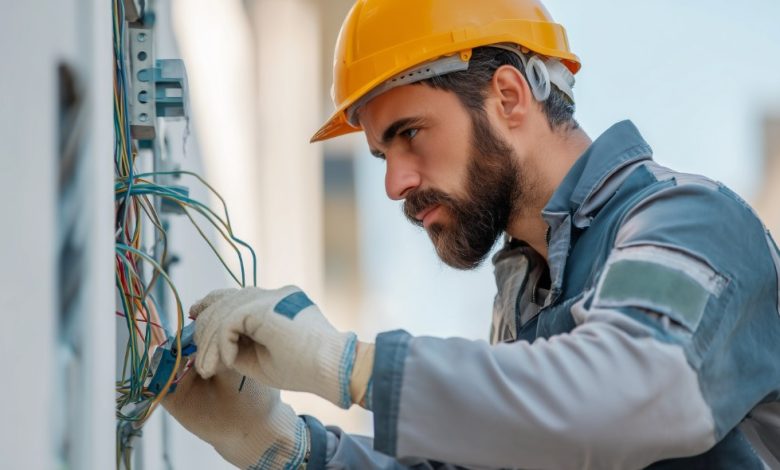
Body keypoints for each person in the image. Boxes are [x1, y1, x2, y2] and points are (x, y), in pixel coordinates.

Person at [163, 0, 780, 468]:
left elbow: (630, 389)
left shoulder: (686, 221)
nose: (396, 184)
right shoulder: (525, 302)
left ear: (509, 96)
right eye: (382, 156)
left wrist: (345, 365)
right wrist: (282, 444)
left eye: (410, 133)